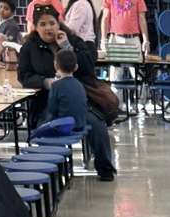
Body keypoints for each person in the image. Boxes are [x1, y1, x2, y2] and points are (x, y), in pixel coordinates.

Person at [18, 5, 97, 127]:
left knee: (96, 125)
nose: (48, 28)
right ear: (36, 28)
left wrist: (67, 46)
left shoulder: (74, 40)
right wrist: (45, 82)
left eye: (52, 23)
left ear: (58, 24)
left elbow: (88, 66)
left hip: (78, 101)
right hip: (46, 103)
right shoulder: (29, 47)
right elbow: (23, 76)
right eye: (43, 24)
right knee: (46, 126)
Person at [46, 48, 117, 181]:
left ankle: (55, 170)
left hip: (64, 124)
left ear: (55, 65)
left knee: (46, 129)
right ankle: (105, 169)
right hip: (81, 121)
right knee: (98, 125)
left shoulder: (56, 85)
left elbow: (52, 109)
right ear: (76, 67)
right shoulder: (80, 84)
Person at [0, 0, 22, 68]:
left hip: (11, 57)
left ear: (12, 13)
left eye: (6, 8)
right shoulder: (1, 23)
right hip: (2, 56)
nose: (2, 10)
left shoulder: (12, 25)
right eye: (0, 7)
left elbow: (8, 44)